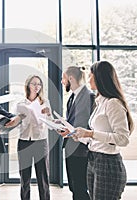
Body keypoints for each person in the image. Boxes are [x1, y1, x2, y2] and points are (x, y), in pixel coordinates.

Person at [72, 61, 134, 200]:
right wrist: (79, 136)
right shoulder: (100, 102)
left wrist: (90, 133)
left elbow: (123, 139)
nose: (88, 80)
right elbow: (97, 138)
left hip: (108, 164)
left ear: (100, 77)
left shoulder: (113, 103)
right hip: (93, 159)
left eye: (90, 76)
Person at [58, 66, 95, 200]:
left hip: (82, 150)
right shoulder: (73, 97)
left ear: (70, 78)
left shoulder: (89, 96)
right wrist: (62, 125)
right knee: (74, 187)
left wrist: (71, 131)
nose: (62, 81)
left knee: (80, 188)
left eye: (63, 78)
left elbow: (89, 125)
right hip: (71, 148)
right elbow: (74, 121)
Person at [15, 75, 51, 200]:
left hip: (40, 142)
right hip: (24, 142)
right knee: (24, 178)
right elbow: (17, 122)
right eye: (34, 84)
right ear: (28, 85)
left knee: (43, 177)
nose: (37, 87)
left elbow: (50, 123)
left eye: (39, 84)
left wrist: (48, 114)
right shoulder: (20, 103)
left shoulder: (44, 102)